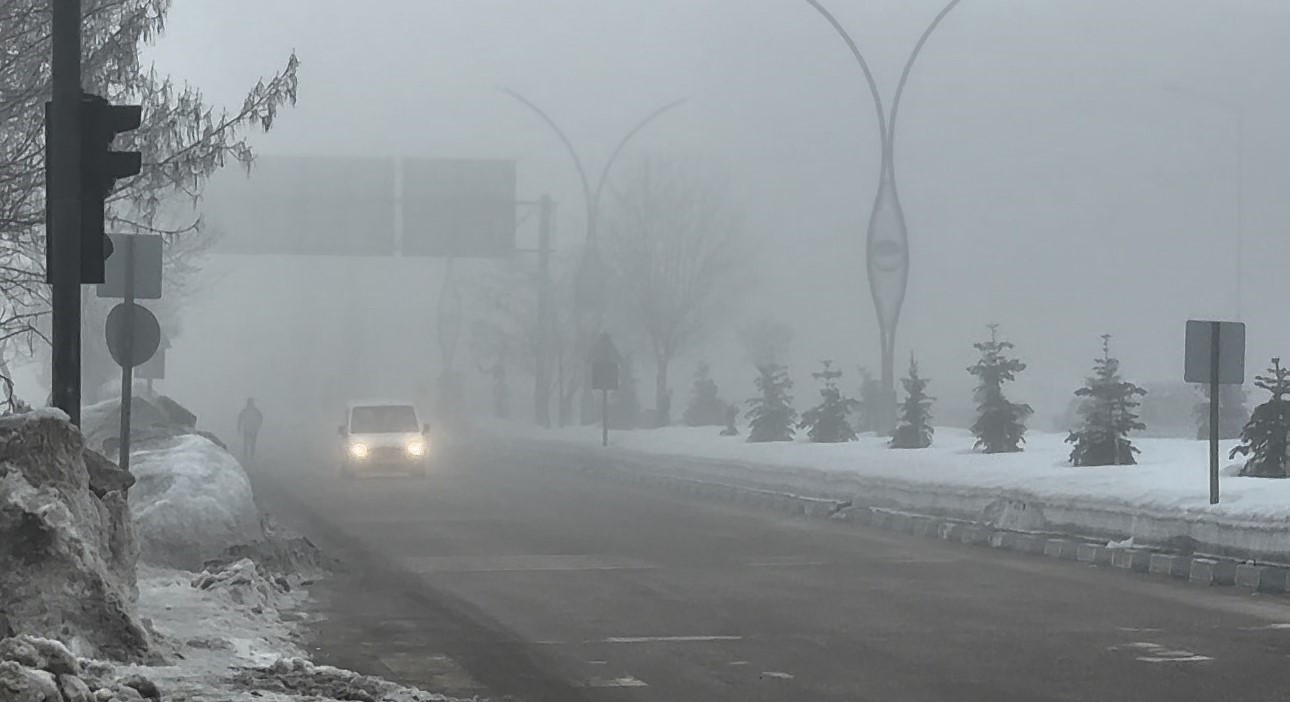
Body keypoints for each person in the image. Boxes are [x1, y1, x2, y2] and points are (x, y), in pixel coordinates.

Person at [237, 398, 263, 465]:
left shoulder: (246, 410)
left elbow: (240, 419)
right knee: (251, 444)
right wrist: (258, 426)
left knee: (248, 444)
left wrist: (239, 427)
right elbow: (260, 419)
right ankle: (250, 458)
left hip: (249, 429)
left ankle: (248, 458)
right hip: (251, 429)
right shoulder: (255, 411)